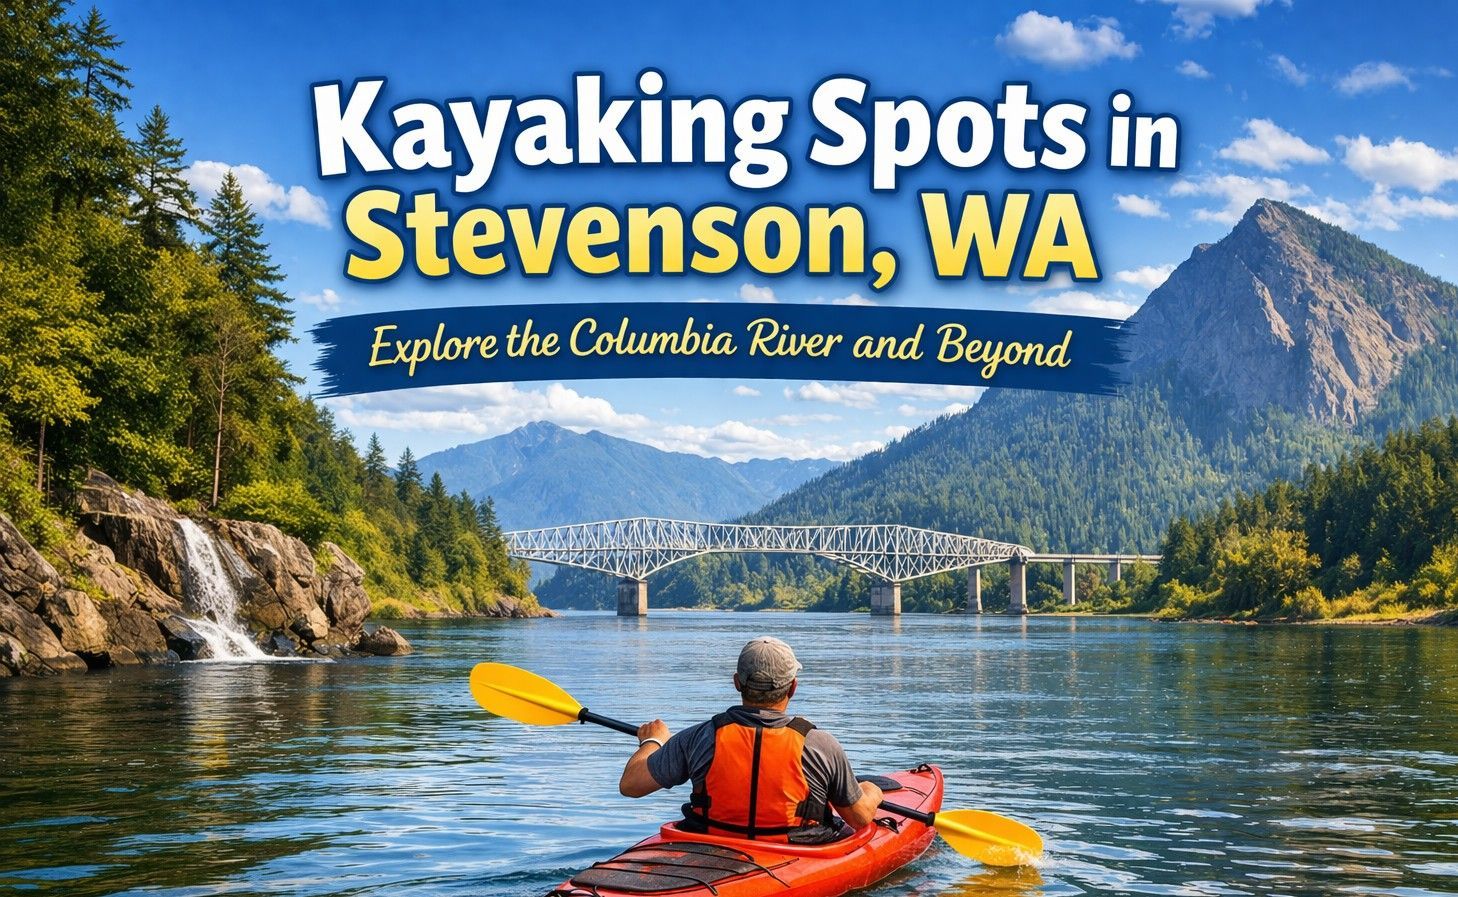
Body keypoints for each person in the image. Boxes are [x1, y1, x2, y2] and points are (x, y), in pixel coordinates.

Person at [619, 636, 884, 843]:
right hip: (793, 852)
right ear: (793, 687)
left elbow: (631, 785)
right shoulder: (820, 745)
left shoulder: (699, 737)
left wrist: (652, 741)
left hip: (709, 845)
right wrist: (873, 792)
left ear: (737, 682)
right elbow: (860, 817)